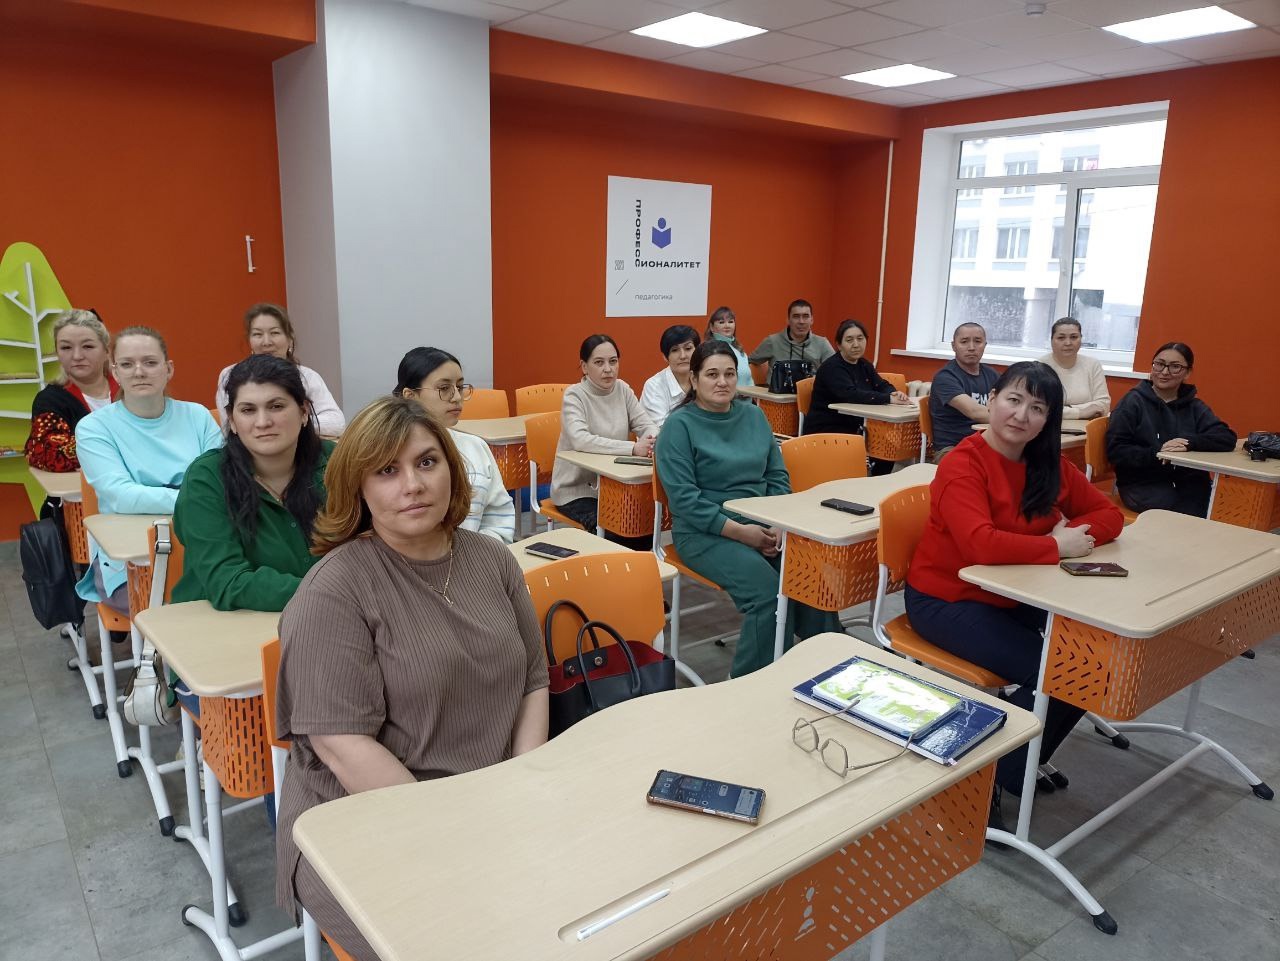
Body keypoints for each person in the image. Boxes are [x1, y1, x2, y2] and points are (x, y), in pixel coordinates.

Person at [274, 396, 548, 961]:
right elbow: (341, 744)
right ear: (358, 488)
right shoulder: (334, 590)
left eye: (426, 462)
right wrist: (452, 835)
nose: (413, 485)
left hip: (491, 798)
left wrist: (523, 789)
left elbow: (533, 680)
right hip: (364, 819)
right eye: (386, 471)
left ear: (452, 467)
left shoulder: (492, 559)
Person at [905, 361, 1123, 818]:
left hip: (1018, 591)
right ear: (993, 400)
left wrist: (1071, 535)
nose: (1022, 415)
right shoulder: (962, 463)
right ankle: (988, 775)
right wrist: (1055, 545)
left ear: (1048, 420)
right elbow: (979, 544)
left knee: (1094, 662)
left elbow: (1109, 515)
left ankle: (1005, 766)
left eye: (1037, 408)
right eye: (1014, 399)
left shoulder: (1049, 465)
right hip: (948, 597)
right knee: (1059, 673)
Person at [656, 341, 840, 678]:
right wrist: (743, 534)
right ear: (694, 380)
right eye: (712, 374)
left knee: (812, 578)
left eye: (729, 374)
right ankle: (748, 685)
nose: (722, 382)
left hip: (764, 524)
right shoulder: (678, 427)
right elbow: (684, 501)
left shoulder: (753, 415)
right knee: (767, 594)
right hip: (705, 532)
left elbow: (777, 476)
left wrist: (779, 524)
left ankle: (824, 669)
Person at [75, 327, 222, 614]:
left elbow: (223, 481)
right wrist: (198, 498)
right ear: (115, 373)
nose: (139, 372)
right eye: (127, 364)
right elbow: (121, 497)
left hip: (204, 547)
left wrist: (200, 497)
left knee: (226, 600)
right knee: (184, 612)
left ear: (169, 369)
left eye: (150, 362)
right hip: (132, 566)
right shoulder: (94, 428)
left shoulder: (198, 416)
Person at [172, 354, 332, 611]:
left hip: (325, 619)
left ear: (303, 412)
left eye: (276, 406)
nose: (263, 422)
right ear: (232, 420)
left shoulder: (336, 464)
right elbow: (227, 581)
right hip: (220, 625)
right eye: (248, 410)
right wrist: (333, 594)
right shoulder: (206, 478)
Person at [394, 347, 516, 542]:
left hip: (477, 557)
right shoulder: (387, 454)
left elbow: (499, 517)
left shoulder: (476, 447)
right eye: (444, 388)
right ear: (410, 396)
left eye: (459, 387)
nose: (457, 397)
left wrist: (478, 554)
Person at [1105, 342, 1235, 517]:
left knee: (1222, 507)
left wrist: (1189, 443)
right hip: (1142, 483)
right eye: (1159, 364)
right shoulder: (1133, 402)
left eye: (1175, 367)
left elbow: (1226, 437)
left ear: (1187, 372)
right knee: (1184, 512)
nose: (1165, 372)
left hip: (1189, 482)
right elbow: (1116, 451)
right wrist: (1159, 453)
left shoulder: (1194, 405)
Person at [553, 334, 656, 550]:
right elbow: (581, 440)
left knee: (644, 528)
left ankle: (633, 571)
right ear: (584, 367)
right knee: (615, 533)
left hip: (615, 486)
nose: (608, 369)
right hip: (576, 491)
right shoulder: (574, 395)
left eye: (613, 361)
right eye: (599, 362)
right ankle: (604, 569)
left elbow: (646, 424)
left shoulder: (622, 389)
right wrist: (633, 448)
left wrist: (652, 439)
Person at [214, 303, 345, 437]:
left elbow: (337, 423)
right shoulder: (230, 375)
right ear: (250, 341)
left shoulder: (307, 376)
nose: (266, 342)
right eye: (257, 334)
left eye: (275, 333)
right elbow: (229, 429)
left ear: (289, 338)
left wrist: (289, 421)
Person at [803, 319, 912, 475]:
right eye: (849, 340)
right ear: (839, 345)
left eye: (860, 339)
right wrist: (888, 399)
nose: (856, 344)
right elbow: (850, 394)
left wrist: (893, 393)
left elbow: (881, 384)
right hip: (829, 426)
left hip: (857, 424)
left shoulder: (863, 364)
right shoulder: (832, 367)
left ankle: (874, 482)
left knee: (887, 447)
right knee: (867, 447)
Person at [25, 309, 118, 472]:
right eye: (66, 347)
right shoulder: (50, 400)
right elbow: (48, 454)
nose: (77, 356)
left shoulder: (131, 391)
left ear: (106, 351)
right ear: (57, 353)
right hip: (80, 487)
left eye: (88, 346)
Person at [929, 322, 1000, 459]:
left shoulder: (992, 375)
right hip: (952, 448)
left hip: (986, 443)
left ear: (985, 345)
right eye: (964, 342)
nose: (971, 347)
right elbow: (975, 412)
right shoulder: (945, 377)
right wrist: (1014, 420)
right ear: (953, 346)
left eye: (977, 341)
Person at [1039, 317, 1109, 420]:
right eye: (1061, 338)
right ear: (1052, 340)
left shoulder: (1093, 365)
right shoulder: (1040, 366)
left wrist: (1065, 409)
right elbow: (1040, 408)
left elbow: (1103, 405)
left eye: (1074, 337)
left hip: (1086, 426)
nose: (1068, 343)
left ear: (1081, 339)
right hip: (1051, 426)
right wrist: (1082, 412)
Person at [747, 298, 835, 377]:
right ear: (788, 320)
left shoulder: (822, 344)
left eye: (805, 316)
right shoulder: (773, 341)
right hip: (776, 390)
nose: (801, 321)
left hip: (809, 390)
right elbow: (748, 362)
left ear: (812, 320)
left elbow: (835, 369)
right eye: (796, 316)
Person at [640, 324, 700, 429]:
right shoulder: (654, 386)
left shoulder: (706, 378)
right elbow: (664, 430)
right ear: (665, 356)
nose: (683, 356)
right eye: (675, 350)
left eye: (688, 348)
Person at [705, 306, 753, 386]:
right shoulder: (709, 350)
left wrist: (753, 391)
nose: (727, 325)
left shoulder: (740, 351)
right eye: (721, 322)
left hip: (748, 394)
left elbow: (749, 379)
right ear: (712, 327)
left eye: (730, 322)